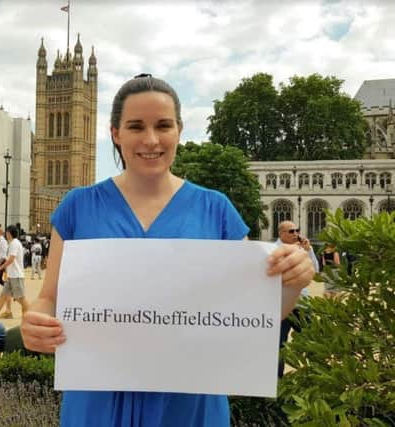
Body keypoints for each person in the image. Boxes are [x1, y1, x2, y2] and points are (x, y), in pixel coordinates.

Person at [20, 75, 315, 427]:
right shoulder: (77, 206)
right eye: (135, 126)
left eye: (163, 125)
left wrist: (293, 281)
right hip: (98, 403)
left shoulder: (216, 209)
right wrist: (35, 321)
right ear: (115, 133)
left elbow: (255, 316)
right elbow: (49, 297)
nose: (150, 140)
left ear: (179, 130)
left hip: (190, 405)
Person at [275, 220, 319, 378]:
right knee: (279, 345)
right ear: (281, 233)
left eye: (297, 231)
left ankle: (316, 376)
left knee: (311, 340)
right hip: (281, 306)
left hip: (302, 304)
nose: (296, 234)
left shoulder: (304, 248)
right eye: (291, 231)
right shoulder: (272, 250)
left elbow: (316, 270)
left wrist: (308, 251)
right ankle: (277, 381)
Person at [0, 225, 30, 319]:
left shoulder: (14, 243)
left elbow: (11, 259)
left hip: (16, 275)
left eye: (7, 232)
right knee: (3, 295)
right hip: (11, 275)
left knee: (20, 298)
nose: (6, 234)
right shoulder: (13, 243)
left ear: (9, 233)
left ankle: (29, 314)